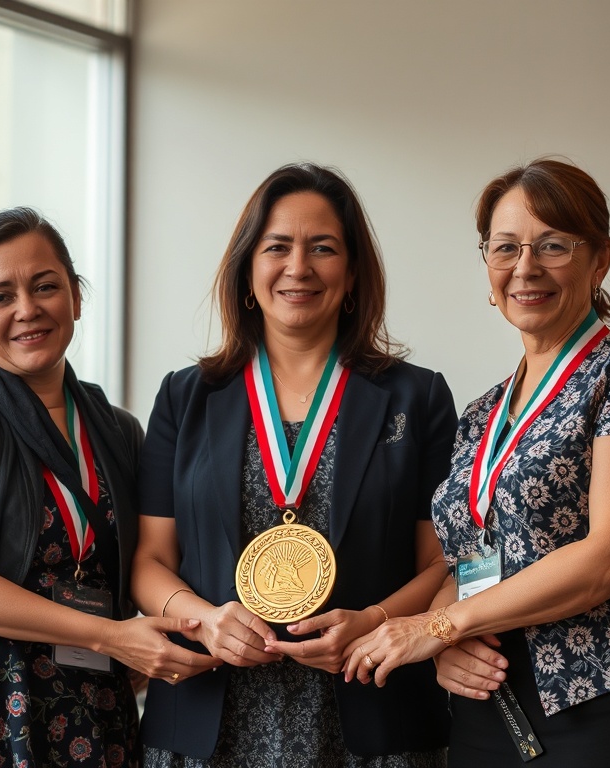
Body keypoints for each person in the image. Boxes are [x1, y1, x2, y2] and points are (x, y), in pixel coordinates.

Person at [345, 158, 610, 766]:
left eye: (552, 246)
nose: (525, 267)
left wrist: (437, 628)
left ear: (602, 259)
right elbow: (467, 565)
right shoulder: (483, 413)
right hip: (491, 711)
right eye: (504, 247)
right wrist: (446, 639)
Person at [0, 207, 218, 768]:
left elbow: (150, 562)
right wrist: (110, 636)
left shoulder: (117, 428)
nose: (28, 309)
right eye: (0, 297)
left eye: (45, 286)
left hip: (89, 698)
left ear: (75, 298)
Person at [132, 163, 458, 766]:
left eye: (323, 249)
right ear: (247, 269)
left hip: (373, 714)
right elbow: (150, 561)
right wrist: (204, 621)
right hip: (209, 721)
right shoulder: (186, 397)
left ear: (354, 271)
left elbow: (442, 563)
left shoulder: (419, 397)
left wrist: (374, 621)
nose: (298, 268)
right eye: (276, 247)